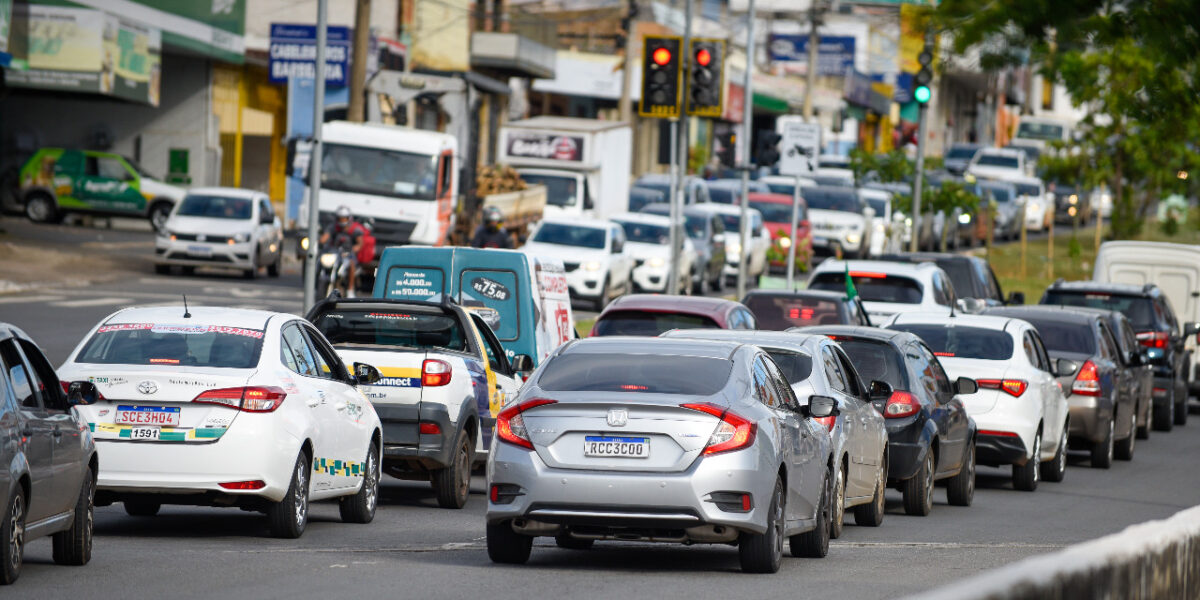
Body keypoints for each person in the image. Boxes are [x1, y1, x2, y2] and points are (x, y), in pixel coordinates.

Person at [319, 206, 366, 296]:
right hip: (334, 253)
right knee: (320, 261)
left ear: (348, 218)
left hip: (348, 254)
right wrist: (320, 241)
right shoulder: (333, 227)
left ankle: (350, 289)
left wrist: (355, 248)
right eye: (340, 218)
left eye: (344, 218)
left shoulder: (354, 229)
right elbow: (325, 237)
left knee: (351, 264)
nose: (342, 220)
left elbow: (360, 243)